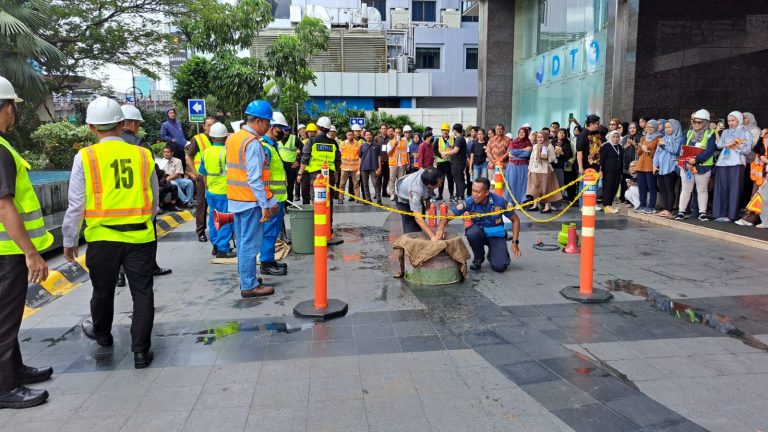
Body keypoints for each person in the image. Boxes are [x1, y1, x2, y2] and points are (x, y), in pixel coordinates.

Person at [64, 96, 157, 368]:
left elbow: (76, 204)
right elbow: (153, 199)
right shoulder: (142, 154)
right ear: (121, 124)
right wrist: (144, 222)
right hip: (140, 236)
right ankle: (140, 351)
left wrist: (69, 240)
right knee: (142, 292)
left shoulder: (86, 156)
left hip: (102, 238)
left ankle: (103, 334)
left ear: (92, 128)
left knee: (102, 290)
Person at [0, 76, 53, 408]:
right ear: (4, 108)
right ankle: (5, 388)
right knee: (4, 320)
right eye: (11, 107)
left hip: (5, 251)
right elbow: (5, 204)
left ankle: (15, 370)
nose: (13, 114)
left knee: (9, 315)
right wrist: (30, 253)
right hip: (7, 252)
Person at [226, 100, 278, 298]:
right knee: (250, 244)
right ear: (258, 121)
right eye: (267, 123)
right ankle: (249, 285)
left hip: (237, 199)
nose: (268, 127)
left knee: (242, 242)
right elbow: (254, 178)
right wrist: (265, 204)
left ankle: (248, 277)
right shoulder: (252, 143)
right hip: (250, 201)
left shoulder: (234, 138)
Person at [118, 105, 172, 285]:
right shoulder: (140, 144)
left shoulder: (110, 143)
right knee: (147, 235)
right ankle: (150, 267)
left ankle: (119, 274)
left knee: (117, 238)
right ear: (132, 123)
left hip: (115, 200)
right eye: (138, 123)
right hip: (139, 198)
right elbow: (152, 171)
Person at [436, 178, 522, 272]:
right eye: (473, 191)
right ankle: (478, 258)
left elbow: (515, 220)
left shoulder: (499, 202)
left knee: (499, 267)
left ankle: (494, 252)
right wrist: (440, 228)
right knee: (472, 232)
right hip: (480, 235)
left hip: (496, 235)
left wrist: (515, 243)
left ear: (486, 192)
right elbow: (448, 216)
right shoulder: (469, 201)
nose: (474, 195)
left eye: (478, 192)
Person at [299, 117, 342, 242]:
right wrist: (336, 174)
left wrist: (300, 173)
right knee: (329, 202)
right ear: (329, 129)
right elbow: (338, 160)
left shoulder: (311, 141)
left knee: (317, 202)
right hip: (330, 176)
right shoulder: (333, 143)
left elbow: (305, 158)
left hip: (316, 177)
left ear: (317, 127)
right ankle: (329, 230)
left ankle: (318, 230)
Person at [258, 112, 290, 276]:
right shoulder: (265, 147)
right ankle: (266, 262)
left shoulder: (272, 146)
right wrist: (269, 199)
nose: (283, 132)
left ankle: (269, 259)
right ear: (271, 127)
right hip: (272, 199)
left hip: (277, 198)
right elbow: (262, 176)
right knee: (269, 231)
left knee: (273, 231)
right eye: (281, 129)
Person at [199, 122, 235, 259]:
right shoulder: (227, 152)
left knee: (214, 220)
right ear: (226, 137)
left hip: (211, 191)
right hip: (225, 191)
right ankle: (223, 248)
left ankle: (215, 245)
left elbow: (203, 173)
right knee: (225, 220)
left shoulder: (206, 152)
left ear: (211, 137)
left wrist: (207, 188)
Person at [677, 109, 718, 221]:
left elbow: (710, 150)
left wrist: (696, 160)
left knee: (702, 190)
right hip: (687, 166)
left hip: (703, 166)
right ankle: (681, 211)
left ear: (706, 122)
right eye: (694, 122)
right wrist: (687, 162)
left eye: (699, 122)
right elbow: (682, 148)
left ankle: (702, 213)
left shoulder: (711, 134)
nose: (696, 124)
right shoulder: (688, 133)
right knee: (686, 189)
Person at [713, 111, 753, 223]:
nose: (730, 123)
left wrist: (736, 146)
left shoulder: (746, 132)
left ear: (739, 120)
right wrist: (717, 133)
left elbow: (747, 150)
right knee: (721, 188)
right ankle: (720, 213)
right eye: (729, 120)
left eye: (733, 120)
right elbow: (720, 145)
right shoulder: (725, 132)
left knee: (734, 189)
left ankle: (731, 215)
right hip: (722, 163)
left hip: (736, 163)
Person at [187, 116, 215, 242]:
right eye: (208, 125)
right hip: (202, 176)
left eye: (213, 125)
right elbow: (190, 157)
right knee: (202, 205)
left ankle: (218, 231)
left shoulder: (218, 138)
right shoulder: (197, 139)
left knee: (217, 205)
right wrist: (195, 174)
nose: (210, 127)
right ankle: (201, 231)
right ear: (203, 126)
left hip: (216, 178)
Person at [393, 167, 444, 236]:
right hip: (403, 199)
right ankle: (410, 243)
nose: (440, 185)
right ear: (429, 185)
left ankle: (420, 237)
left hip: (417, 195)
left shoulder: (427, 174)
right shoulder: (415, 191)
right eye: (438, 185)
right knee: (411, 228)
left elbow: (429, 189)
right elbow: (418, 217)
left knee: (420, 224)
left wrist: (428, 200)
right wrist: (432, 236)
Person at [736, 128, 768, 227]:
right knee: (757, 197)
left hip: (764, 175)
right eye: (762, 133)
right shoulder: (761, 144)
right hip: (759, 176)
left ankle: (752, 219)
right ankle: (752, 219)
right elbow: (756, 154)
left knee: (761, 198)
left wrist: (765, 160)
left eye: (765, 133)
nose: (763, 135)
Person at [654, 119, 683, 218]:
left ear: (675, 127)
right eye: (666, 127)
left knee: (669, 188)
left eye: (669, 127)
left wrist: (665, 144)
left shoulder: (679, 139)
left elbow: (675, 150)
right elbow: (657, 153)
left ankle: (669, 210)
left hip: (671, 167)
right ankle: (665, 208)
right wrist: (655, 165)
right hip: (661, 168)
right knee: (663, 189)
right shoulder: (664, 138)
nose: (667, 129)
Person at [526, 131, 562, 213]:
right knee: (535, 188)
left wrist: (546, 157)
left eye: (541, 137)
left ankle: (547, 206)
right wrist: (529, 169)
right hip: (535, 170)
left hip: (545, 170)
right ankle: (535, 205)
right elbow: (532, 158)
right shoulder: (535, 146)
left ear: (545, 137)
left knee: (546, 188)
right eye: (538, 137)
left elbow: (553, 158)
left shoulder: (549, 146)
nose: (539, 139)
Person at [576, 114, 604, 209]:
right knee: (583, 185)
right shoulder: (582, 135)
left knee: (594, 185)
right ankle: (582, 205)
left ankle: (593, 203)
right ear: (590, 124)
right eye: (597, 123)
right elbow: (579, 152)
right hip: (585, 165)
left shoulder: (598, 134)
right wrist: (580, 167)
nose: (598, 125)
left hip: (596, 164)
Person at [635, 120, 661, 214]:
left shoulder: (658, 138)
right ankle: (642, 204)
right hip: (641, 164)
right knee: (641, 186)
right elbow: (639, 153)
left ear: (655, 128)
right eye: (647, 127)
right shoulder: (643, 138)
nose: (649, 129)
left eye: (651, 127)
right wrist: (639, 148)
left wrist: (647, 150)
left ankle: (651, 206)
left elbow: (658, 152)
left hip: (650, 165)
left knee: (651, 187)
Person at [440, 124, 468, 202]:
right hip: (457, 162)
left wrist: (446, 153)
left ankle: (461, 197)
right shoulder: (460, 139)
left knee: (459, 180)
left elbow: (456, 150)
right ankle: (459, 195)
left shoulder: (459, 139)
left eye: (452, 130)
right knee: (458, 179)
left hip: (458, 163)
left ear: (455, 130)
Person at [599, 130, 624, 214]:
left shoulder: (620, 147)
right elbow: (601, 160)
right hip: (608, 171)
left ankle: (609, 205)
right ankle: (606, 205)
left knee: (615, 188)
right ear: (610, 137)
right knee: (608, 188)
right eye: (614, 137)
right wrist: (600, 170)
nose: (616, 139)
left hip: (617, 172)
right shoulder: (606, 146)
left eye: (617, 137)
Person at [504, 127, 532, 204]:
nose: (521, 134)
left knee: (522, 183)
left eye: (523, 132)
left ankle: (521, 201)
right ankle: (511, 200)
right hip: (512, 166)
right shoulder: (514, 142)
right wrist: (523, 149)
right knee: (512, 182)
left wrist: (516, 154)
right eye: (520, 132)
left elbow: (527, 154)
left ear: (526, 133)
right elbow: (512, 151)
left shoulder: (528, 143)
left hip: (523, 166)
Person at [276, 120, 301, 203]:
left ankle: (288, 204)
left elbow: (304, 150)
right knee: (279, 186)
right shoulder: (277, 138)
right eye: (284, 130)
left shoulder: (294, 139)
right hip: (279, 165)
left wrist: (298, 161)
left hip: (291, 166)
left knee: (289, 187)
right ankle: (281, 203)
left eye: (287, 130)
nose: (285, 132)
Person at [338, 129, 361, 204]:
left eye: (351, 135)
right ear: (346, 136)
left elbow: (360, 157)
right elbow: (339, 154)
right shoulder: (342, 144)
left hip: (355, 168)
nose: (350, 136)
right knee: (342, 184)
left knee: (356, 184)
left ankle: (357, 198)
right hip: (344, 167)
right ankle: (340, 198)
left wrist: (359, 169)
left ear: (354, 135)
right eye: (348, 135)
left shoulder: (358, 144)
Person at [359, 130, 383, 203]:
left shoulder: (377, 145)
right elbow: (360, 158)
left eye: (369, 135)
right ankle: (368, 199)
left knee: (375, 183)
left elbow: (379, 157)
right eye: (366, 135)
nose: (368, 136)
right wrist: (358, 169)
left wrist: (379, 167)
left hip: (374, 167)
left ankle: (379, 200)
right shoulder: (362, 146)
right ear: (364, 136)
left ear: (372, 136)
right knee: (365, 184)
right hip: (364, 168)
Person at [621, 122, 641, 202]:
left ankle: (635, 200)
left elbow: (641, 149)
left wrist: (634, 143)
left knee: (634, 181)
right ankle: (626, 199)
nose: (632, 129)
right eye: (630, 128)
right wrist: (626, 146)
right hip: (626, 162)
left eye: (634, 128)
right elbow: (621, 150)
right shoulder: (625, 137)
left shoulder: (640, 137)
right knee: (626, 180)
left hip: (636, 162)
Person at [434, 123, 455, 201]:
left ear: (449, 131)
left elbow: (456, 149)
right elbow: (435, 150)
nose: (445, 131)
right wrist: (440, 156)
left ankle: (452, 195)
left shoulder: (453, 139)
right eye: (443, 130)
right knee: (440, 180)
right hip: (441, 163)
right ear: (441, 131)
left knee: (450, 180)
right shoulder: (438, 140)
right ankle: (440, 195)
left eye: (446, 130)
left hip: (450, 162)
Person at [387, 127, 409, 197]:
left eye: (399, 132)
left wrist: (408, 163)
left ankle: (400, 194)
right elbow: (388, 153)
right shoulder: (390, 142)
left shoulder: (405, 142)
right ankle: (392, 194)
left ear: (401, 133)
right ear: (394, 133)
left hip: (402, 164)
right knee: (392, 180)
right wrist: (394, 145)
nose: (398, 134)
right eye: (396, 132)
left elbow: (407, 152)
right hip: (393, 164)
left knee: (401, 181)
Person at [375, 124, 390, 197]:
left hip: (388, 161)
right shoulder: (376, 138)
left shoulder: (389, 138)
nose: (384, 130)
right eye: (382, 129)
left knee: (386, 178)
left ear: (387, 129)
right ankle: (377, 193)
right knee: (378, 178)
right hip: (379, 161)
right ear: (380, 130)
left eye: (385, 129)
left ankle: (384, 192)